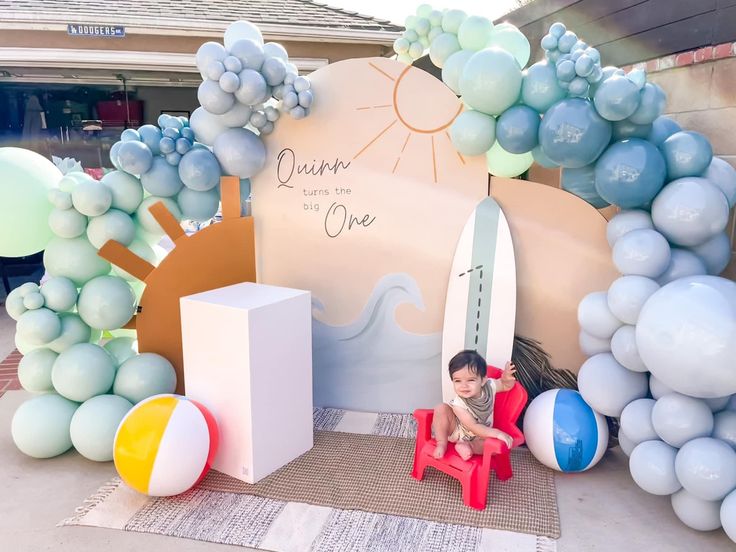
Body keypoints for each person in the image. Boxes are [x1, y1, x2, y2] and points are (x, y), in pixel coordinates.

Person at [432, 349, 516, 461]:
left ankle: (468, 446)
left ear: (482, 380)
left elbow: (505, 386)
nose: (464, 386)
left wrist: (506, 378)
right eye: (458, 381)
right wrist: (498, 433)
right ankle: (441, 443)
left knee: (496, 448)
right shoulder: (458, 405)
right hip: (458, 430)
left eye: (470, 380)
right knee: (441, 408)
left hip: (482, 434)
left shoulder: (490, 386)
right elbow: (474, 426)